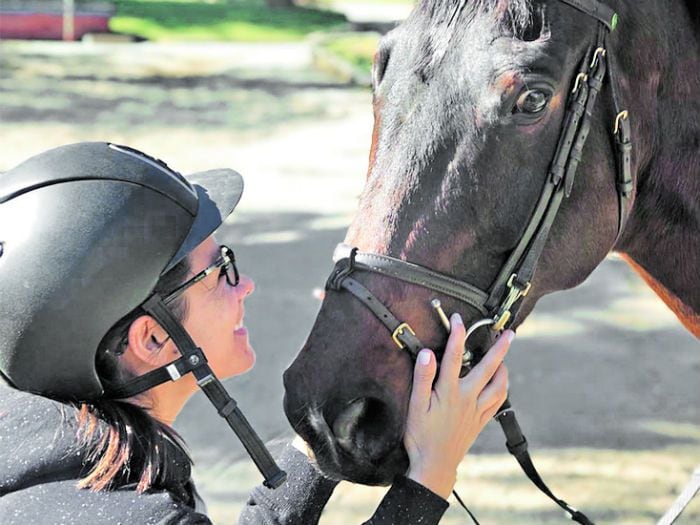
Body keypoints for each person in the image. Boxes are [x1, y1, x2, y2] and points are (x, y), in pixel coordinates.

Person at [0, 142, 511, 525]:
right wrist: (431, 476)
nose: (245, 285)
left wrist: (321, 429)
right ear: (152, 340)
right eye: (222, 268)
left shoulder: (49, 469)